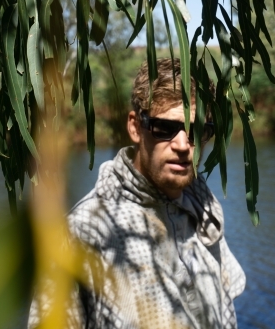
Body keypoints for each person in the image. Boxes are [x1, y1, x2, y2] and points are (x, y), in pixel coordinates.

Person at [66, 58, 245, 328]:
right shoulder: (87, 230)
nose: (183, 145)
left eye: (196, 130)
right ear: (135, 127)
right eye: (165, 128)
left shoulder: (203, 207)